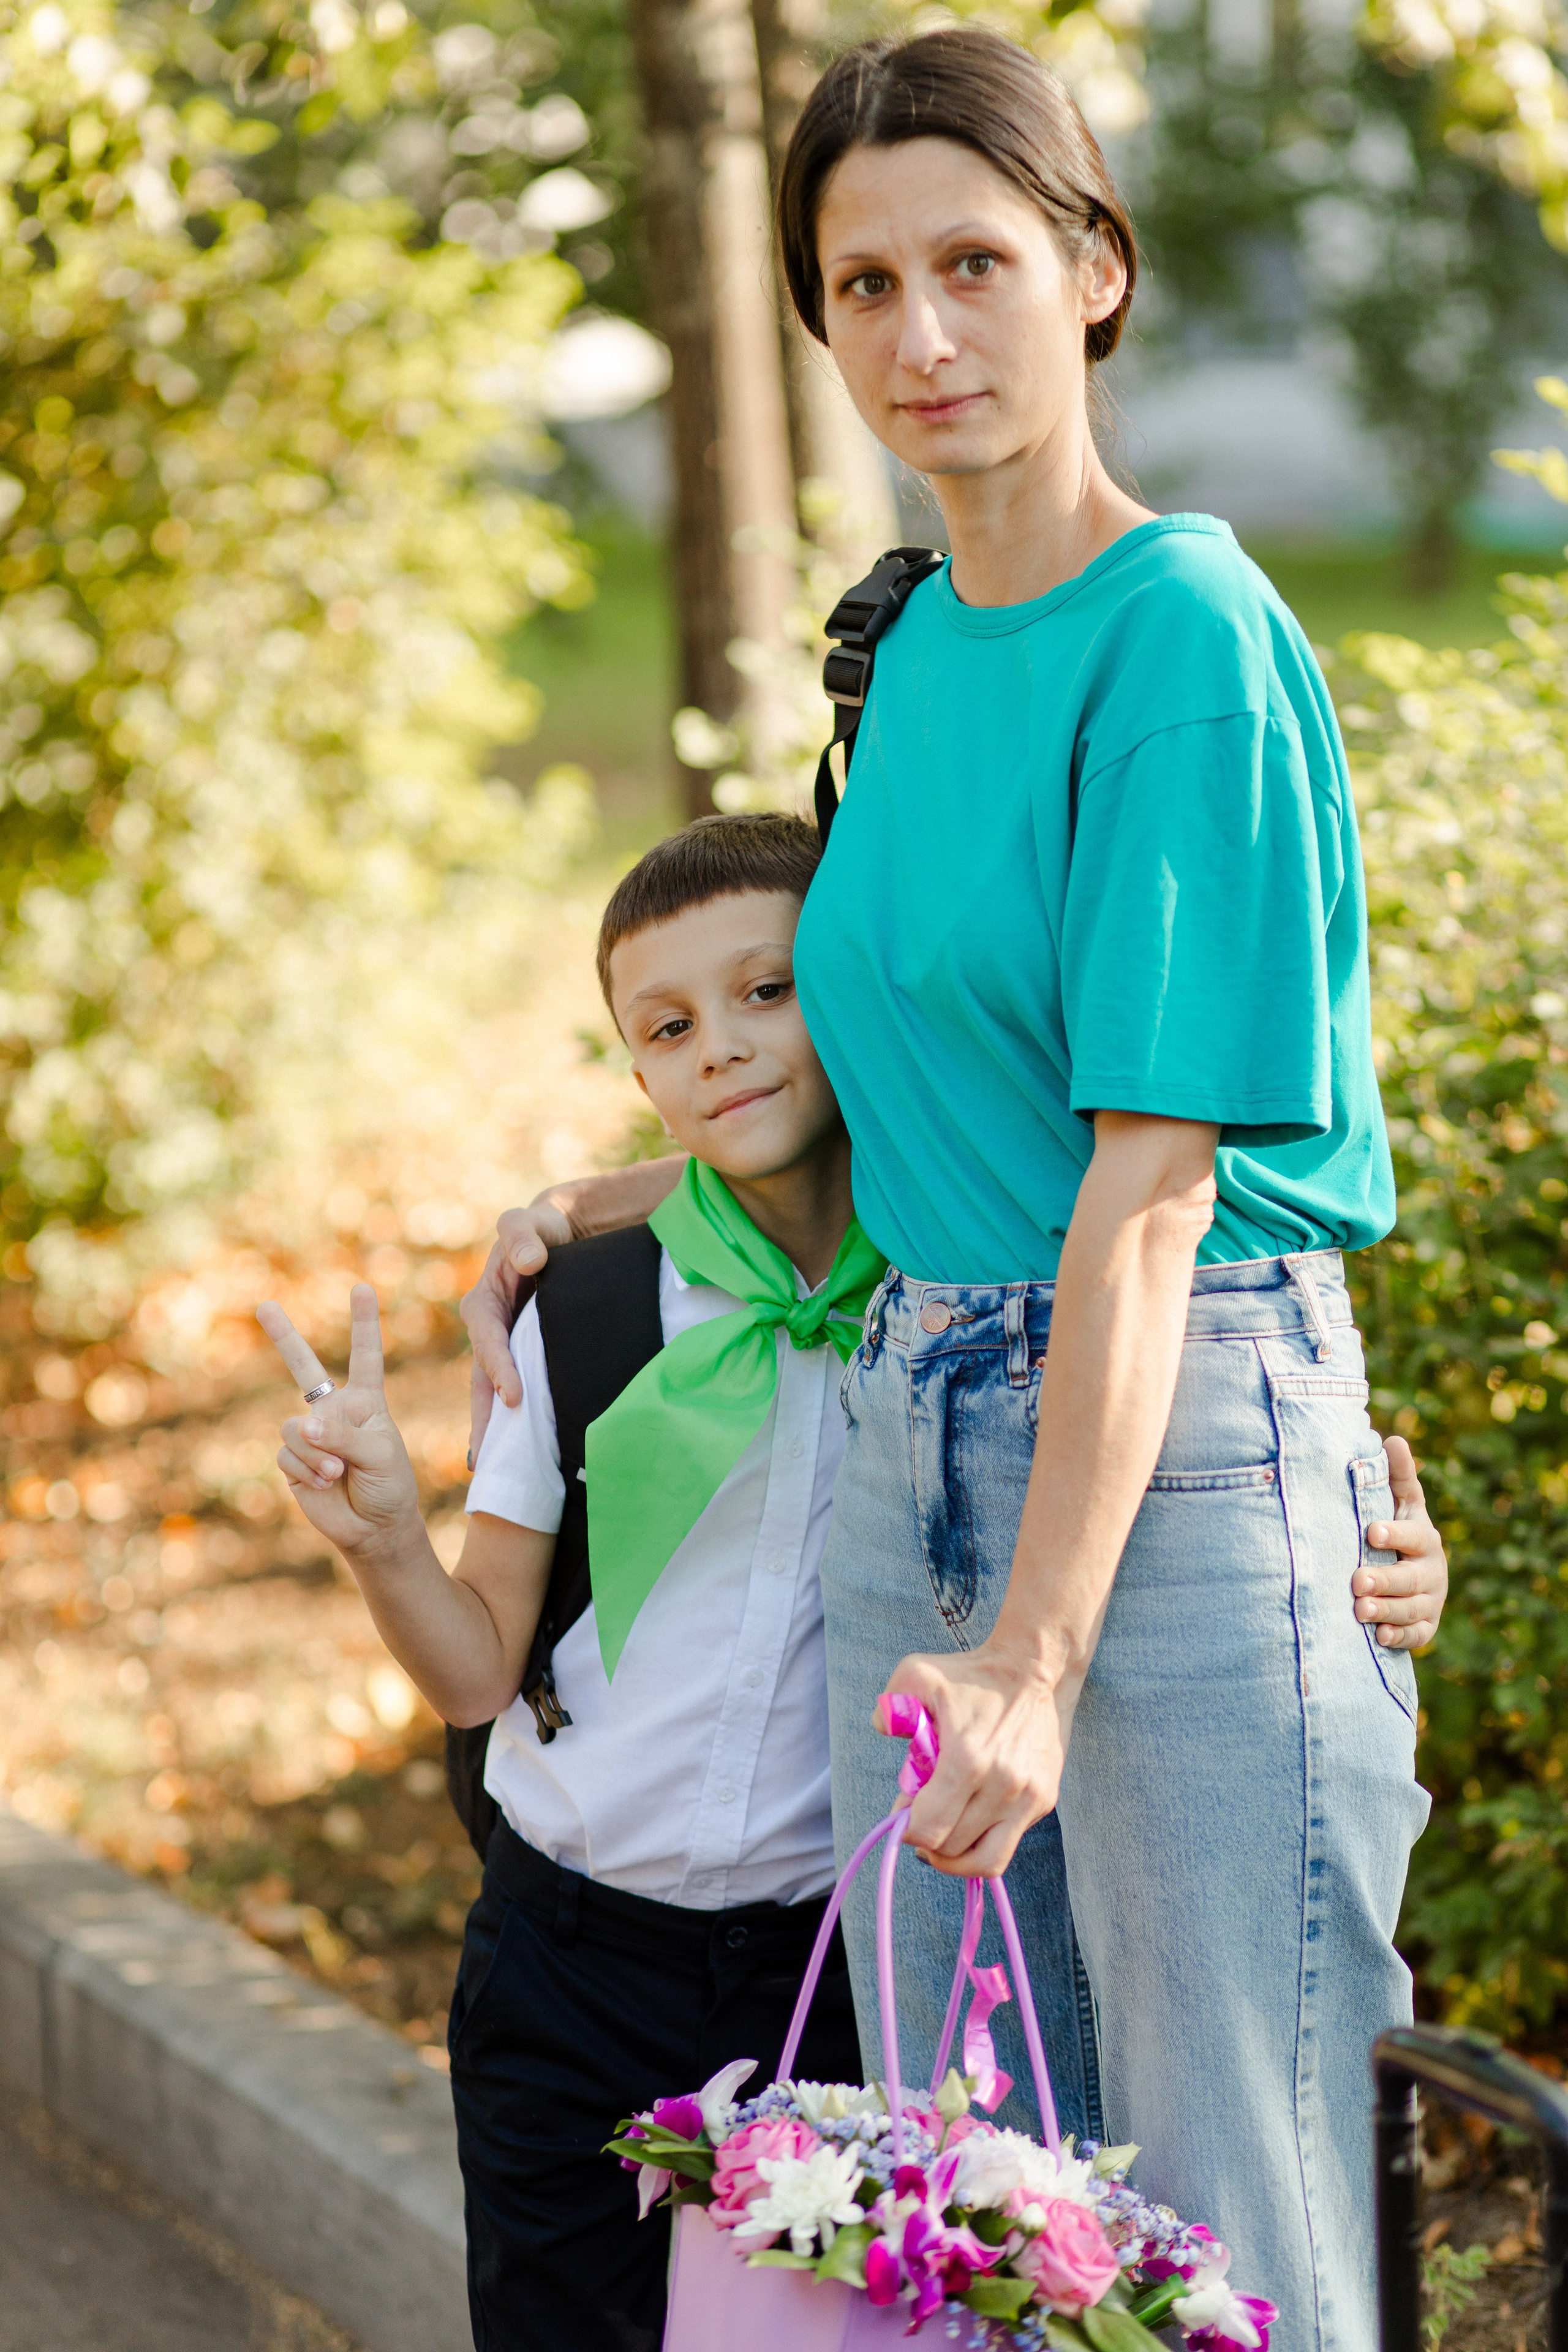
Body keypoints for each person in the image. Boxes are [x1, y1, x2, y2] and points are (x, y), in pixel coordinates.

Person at [461, 29, 1447, 2352]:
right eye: (862, 282)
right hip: (917, 1425)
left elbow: (1151, 1190)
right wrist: (629, 1192)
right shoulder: (909, 647)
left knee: (1233, 2217)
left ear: (1094, 269)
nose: (921, 335)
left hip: (1167, 1449)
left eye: (977, 264)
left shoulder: (1182, 634)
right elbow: (922, 1088)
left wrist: (1036, 1649)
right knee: (987, 2189)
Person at [256, 816, 881, 2352]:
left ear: (852, 989)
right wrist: (387, 1535)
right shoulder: (584, 1308)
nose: (721, 1050)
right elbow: (477, 1672)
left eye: (766, 992)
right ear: (637, 1073)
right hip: (569, 1962)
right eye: (667, 1028)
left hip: (827, 1976)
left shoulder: (954, 1300)